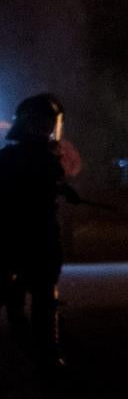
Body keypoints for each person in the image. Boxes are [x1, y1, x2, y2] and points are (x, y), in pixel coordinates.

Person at [0, 93, 76, 381]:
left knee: (42, 296)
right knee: (35, 297)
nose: (47, 129)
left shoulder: (38, 155)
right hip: (22, 236)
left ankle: (43, 353)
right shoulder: (17, 157)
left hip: (36, 236)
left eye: (50, 123)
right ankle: (42, 354)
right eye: (43, 123)